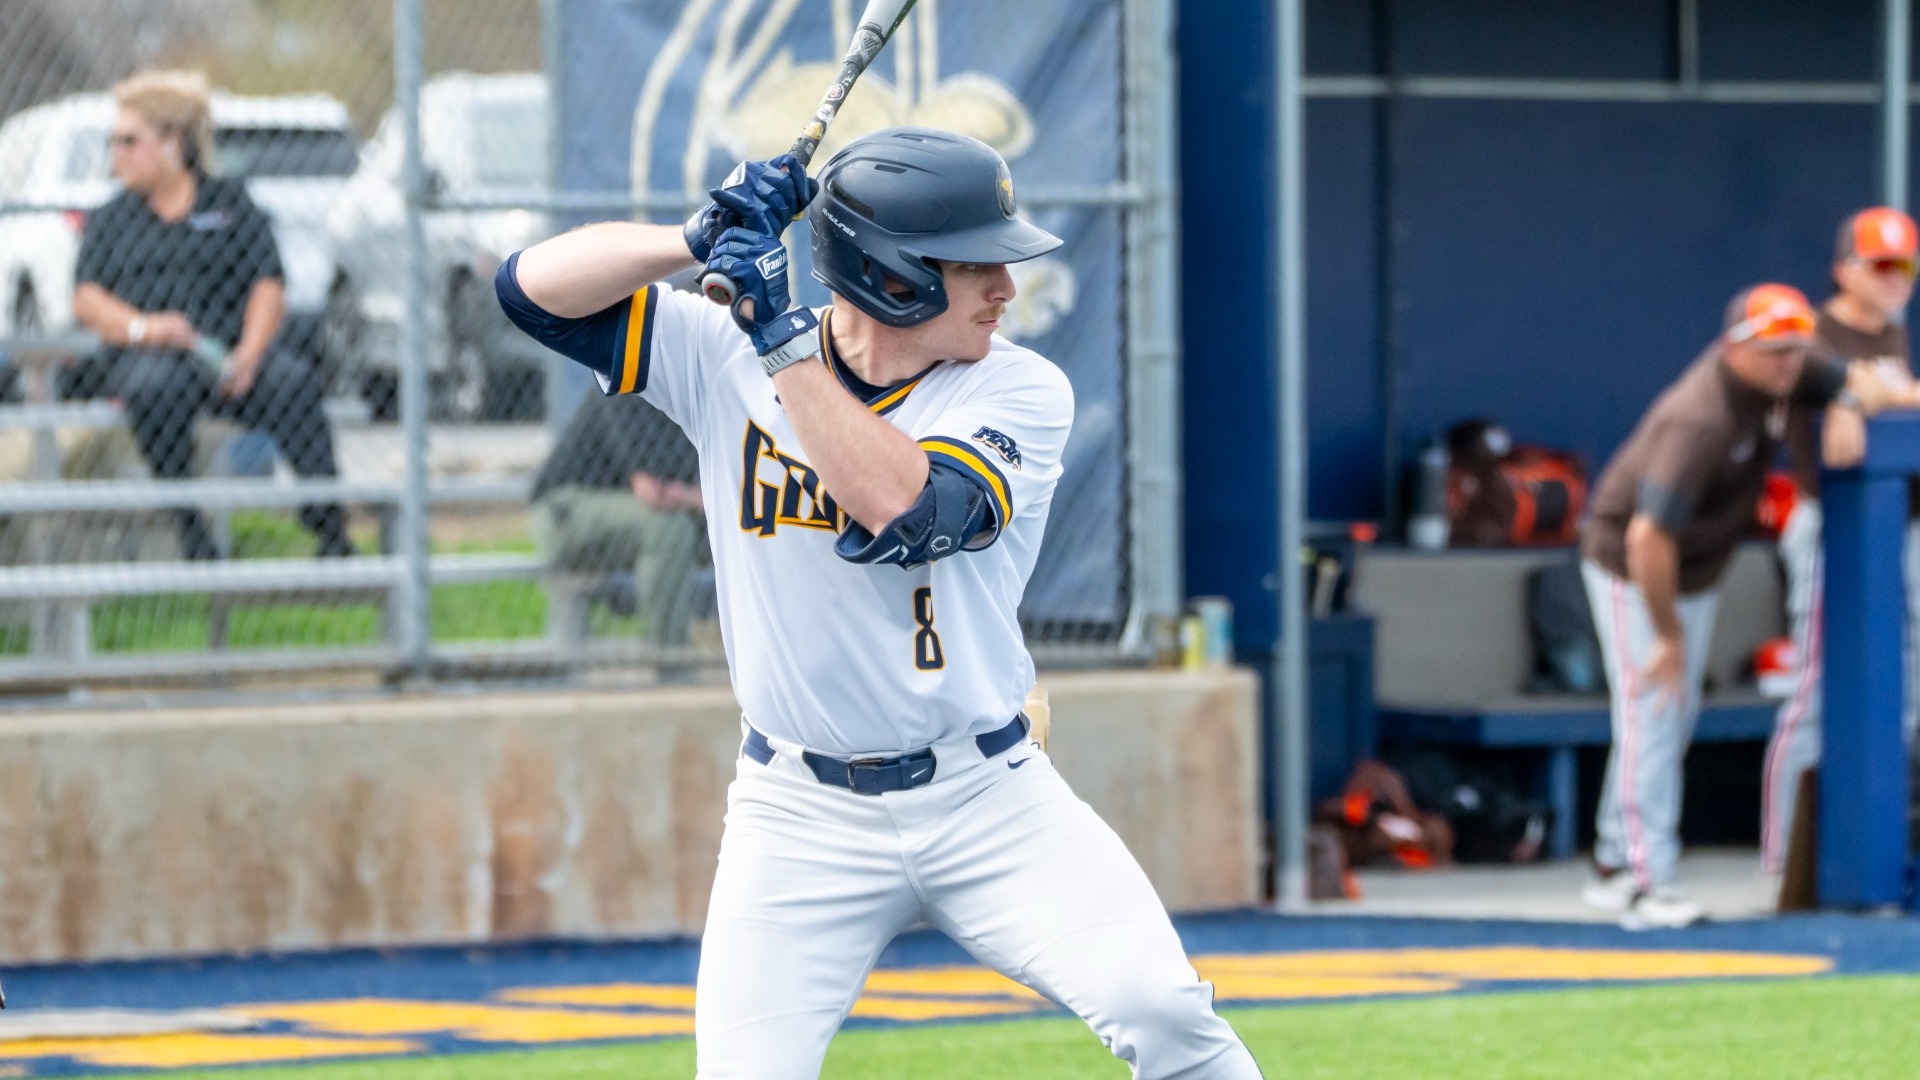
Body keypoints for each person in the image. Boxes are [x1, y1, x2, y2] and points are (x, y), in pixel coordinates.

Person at [498, 128, 1262, 1078]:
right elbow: (527, 289)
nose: (1005, 289)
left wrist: (780, 341)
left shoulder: (1022, 387)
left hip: (986, 795)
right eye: (976, 264)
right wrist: (694, 240)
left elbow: (905, 507)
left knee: (1163, 1011)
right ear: (892, 274)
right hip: (797, 811)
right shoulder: (719, 352)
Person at [1577, 283, 1914, 930]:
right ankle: (1650, 885)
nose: (1788, 363)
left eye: (1794, 350)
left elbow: (1871, 383)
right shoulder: (1699, 417)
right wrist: (1669, 637)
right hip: (1634, 569)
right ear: (1737, 348)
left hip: (1695, 569)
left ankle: (1617, 862)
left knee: (1668, 717)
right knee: (1654, 710)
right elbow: (1647, 537)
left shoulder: (1791, 371)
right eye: (1773, 352)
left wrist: (1844, 400)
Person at [70, 70, 351, 560]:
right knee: (155, 390)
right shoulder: (113, 218)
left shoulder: (230, 204)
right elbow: (87, 299)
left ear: (173, 143)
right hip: (153, 357)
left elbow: (268, 283)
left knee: (291, 382)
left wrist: (249, 353)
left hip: (226, 355)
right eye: (114, 142)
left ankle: (330, 531)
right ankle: (189, 529)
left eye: (130, 142)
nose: (117, 153)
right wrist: (145, 328)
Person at [1763, 208, 1920, 881]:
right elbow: (1838, 386)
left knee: (1906, 688)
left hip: (1895, 529)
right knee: (1813, 694)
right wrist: (1863, 397)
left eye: (1904, 267)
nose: (1893, 281)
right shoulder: (1816, 333)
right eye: (1880, 266)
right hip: (1829, 525)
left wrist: (1881, 396)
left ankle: (1885, 845)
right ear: (1845, 269)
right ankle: (1781, 862)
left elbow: (1893, 393)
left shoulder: (1891, 332)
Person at [530, 391, 706, 647]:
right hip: (564, 508)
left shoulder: (690, 392)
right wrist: (699, 497)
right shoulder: (625, 377)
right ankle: (671, 656)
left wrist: (696, 497)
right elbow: (654, 491)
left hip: (624, 511)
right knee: (669, 529)